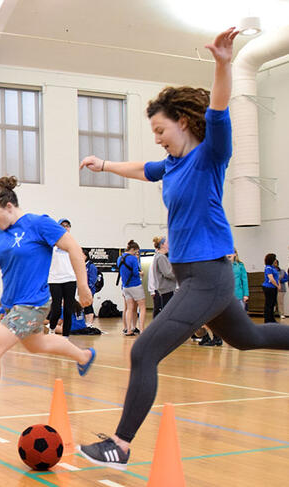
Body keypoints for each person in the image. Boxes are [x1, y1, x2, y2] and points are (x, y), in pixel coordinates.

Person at [77, 28, 289, 468]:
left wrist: (223, 63)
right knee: (248, 338)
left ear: (184, 122)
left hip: (208, 275)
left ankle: (121, 444)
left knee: (144, 350)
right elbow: (143, 168)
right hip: (195, 276)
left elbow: (218, 108)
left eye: (160, 129)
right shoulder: (172, 165)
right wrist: (104, 164)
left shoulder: (210, 152)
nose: (157, 138)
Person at [0, 177, 96, 434]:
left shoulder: (38, 224)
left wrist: (82, 286)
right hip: (12, 305)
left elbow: (73, 247)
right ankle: (84, 356)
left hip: (32, 304)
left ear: (8, 206)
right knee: (37, 345)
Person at [47, 218, 78, 336]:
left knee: (68, 310)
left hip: (70, 279)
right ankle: (52, 329)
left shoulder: (73, 245)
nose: (65, 227)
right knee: (56, 308)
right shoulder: (51, 244)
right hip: (55, 280)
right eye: (62, 225)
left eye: (67, 225)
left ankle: (66, 336)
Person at [117, 240, 145, 336]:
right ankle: (141, 329)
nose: (136, 254)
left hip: (125, 286)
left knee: (129, 308)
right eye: (135, 251)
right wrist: (141, 273)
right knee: (142, 307)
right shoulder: (133, 259)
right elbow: (135, 272)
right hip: (135, 285)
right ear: (132, 249)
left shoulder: (119, 258)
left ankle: (128, 329)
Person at [151, 236, 176, 318]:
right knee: (168, 313)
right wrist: (180, 276)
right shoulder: (161, 257)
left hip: (164, 289)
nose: (169, 244)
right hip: (167, 289)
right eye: (167, 243)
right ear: (162, 245)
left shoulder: (158, 256)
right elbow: (167, 273)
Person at [263, 253, 279, 323]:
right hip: (269, 288)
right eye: (274, 258)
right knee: (269, 304)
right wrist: (277, 286)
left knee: (272, 304)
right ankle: (267, 320)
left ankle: (272, 319)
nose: (275, 260)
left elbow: (276, 277)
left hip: (274, 287)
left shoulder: (273, 267)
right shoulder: (268, 268)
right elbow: (271, 279)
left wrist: (278, 285)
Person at [84, 256, 99, 326]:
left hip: (89, 289)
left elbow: (93, 279)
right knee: (85, 305)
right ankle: (87, 322)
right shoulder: (83, 265)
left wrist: (88, 288)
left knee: (89, 305)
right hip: (83, 289)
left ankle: (90, 323)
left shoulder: (91, 266)